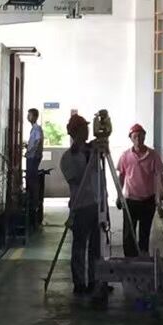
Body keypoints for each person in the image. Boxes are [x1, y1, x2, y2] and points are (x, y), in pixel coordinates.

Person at [60, 113, 103, 297]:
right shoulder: (68, 157)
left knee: (96, 247)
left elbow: (100, 177)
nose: (87, 131)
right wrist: (91, 158)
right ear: (75, 132)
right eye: (84, 128)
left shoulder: (93, 151)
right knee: (79, 246)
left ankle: (96, 279)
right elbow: (76, 179)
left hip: (96, 203)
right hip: (80, 205)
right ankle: (79, 282)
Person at [116, 124, 163, 257]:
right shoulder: (125, 156)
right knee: (128, 233)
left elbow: (159, 174)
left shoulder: (153, 155)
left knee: (145, 232)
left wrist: (162, 191)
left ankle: (143, 257)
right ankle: (129, 259)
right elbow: (121, 176)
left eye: (141, 136)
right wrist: (119, 195)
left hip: (148, 200)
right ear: (131, 138)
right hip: (130, 200)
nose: (138, 139)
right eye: (135, 136)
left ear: (144, 137)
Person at [25, 107, 44, 232]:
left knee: (31, 181)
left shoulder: (37, 128)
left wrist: (30, 151)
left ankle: (33, 202)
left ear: (35, 117)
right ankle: (32, 200)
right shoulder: (34, 129)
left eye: (30, 115)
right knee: (30, 180)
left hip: (33, 157)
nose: (28, 117)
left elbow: (37, 142)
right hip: (31, 156)